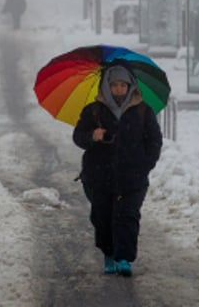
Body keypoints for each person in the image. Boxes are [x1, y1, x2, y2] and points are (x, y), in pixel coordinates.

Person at [72, 65, 163, 277]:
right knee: (103, 216)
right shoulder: (93, 111)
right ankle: (109, 254)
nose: (120, 89)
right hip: (98, 175)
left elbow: (155, 141)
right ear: (107, 86)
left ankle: (124, 258)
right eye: (115, 85)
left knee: (128, 215)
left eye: (123, 85)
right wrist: (92, 136)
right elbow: (78, 137)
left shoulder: (143, 111)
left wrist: (145, 165)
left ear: (130, 86)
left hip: (133, 177)